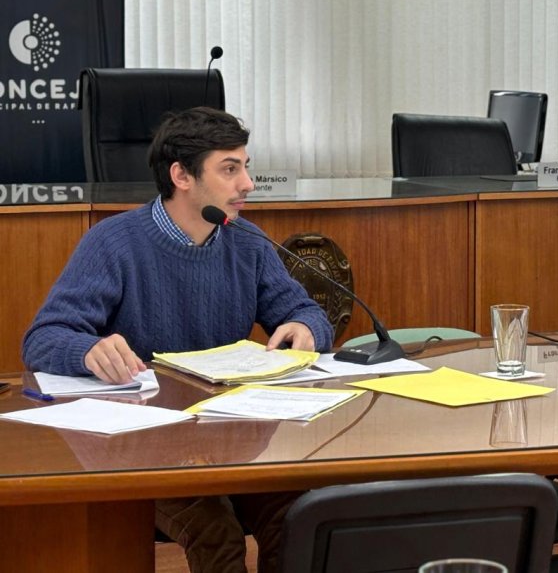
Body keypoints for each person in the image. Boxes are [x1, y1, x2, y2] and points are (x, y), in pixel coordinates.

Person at [22, 106, 334, 573]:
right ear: (181, 176)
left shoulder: (247, 242)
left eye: (245, 167)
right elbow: (43, 339)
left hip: (232, 436)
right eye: (230, 169)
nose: (248, 183)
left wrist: (306, 328)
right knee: (216, 531)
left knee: (300, 516)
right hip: (144, 444)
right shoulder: (114, 243)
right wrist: (87, 350)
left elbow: (304, 313)